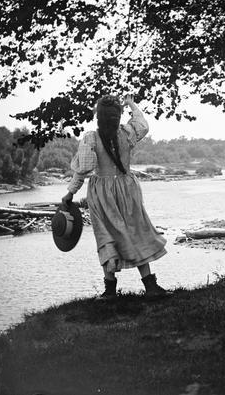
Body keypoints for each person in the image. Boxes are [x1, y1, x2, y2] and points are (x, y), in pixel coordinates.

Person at [61, 94, 168, 300]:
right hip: (128, 189)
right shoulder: (128, 132)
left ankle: (110, 291)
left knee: (105, 237)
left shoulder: (91, 138)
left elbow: (82, 170)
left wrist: (70, 193)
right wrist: (130, 104)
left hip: (102, 194)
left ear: (99, 117)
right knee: (135, 233)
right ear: (118, 117)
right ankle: (150, 286)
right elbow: (142, 124)